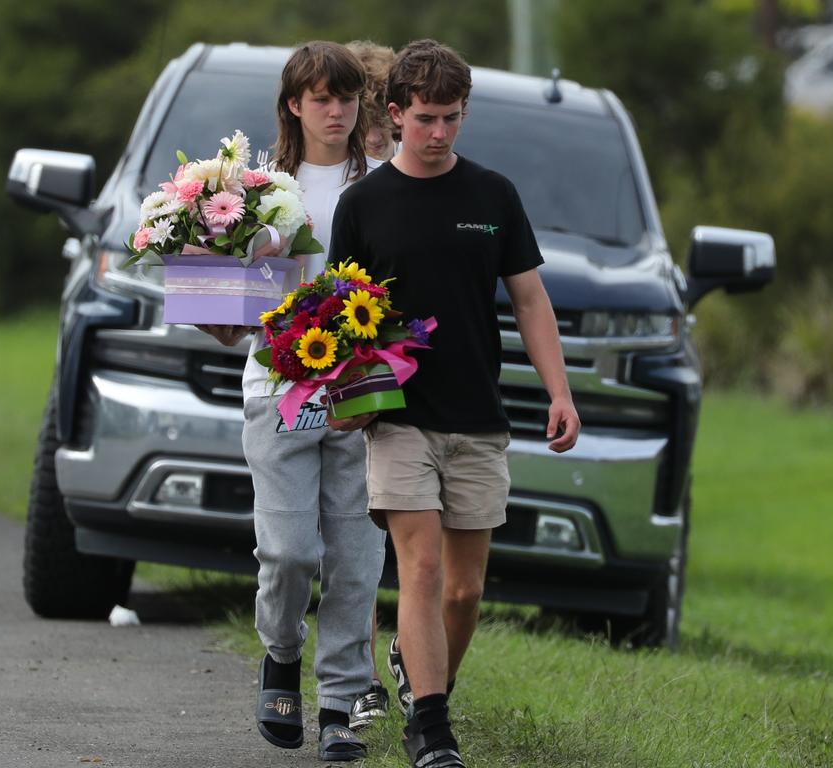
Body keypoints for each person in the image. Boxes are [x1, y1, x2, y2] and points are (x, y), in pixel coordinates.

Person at [329, 39, 581, 768]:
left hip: (480, 417)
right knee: (423, 569)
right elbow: (340, 318)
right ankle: (431, 732)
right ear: (395, 112)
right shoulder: (363, 205)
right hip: (400, 416)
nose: (439, 133)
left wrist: (559, 392)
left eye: (453, 118)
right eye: (427, 118)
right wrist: (349, 395)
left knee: (466, 592)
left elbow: (529, 299)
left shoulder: (493, 196)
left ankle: (419, 678)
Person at [217, 41, 386, 763]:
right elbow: (229, 311)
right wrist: (217, 301)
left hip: (364, 395)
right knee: (288, 550)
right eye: (321, 97)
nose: (336, 109)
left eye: (346, 97)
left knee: (356, 558)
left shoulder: (386, 183)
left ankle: (341, 703)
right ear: (294, 104)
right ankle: (281, 653)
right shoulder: (259, 186)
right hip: (280, 388)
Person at [339, 38, 397, 734]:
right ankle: (358, 675)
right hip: (331, 369)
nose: (372, 134)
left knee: (380, 533)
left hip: (389, 365)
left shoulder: (399, 179)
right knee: (348, 535)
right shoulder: (312, 173)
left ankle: (378, 671)